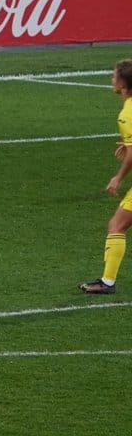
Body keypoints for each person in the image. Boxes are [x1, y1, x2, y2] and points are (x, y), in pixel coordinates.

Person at [80, 58, 132, 294]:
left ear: (123, 83)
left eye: (114, 76)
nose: (111, 80)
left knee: (116, 225)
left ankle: (107, 282)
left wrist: (118, 178)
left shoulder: (127, 114)